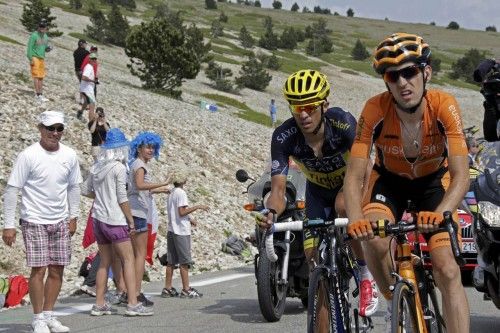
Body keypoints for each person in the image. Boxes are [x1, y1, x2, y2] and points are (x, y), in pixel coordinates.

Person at [343, 33, 470, 333]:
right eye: (393, 75)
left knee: (447, 270)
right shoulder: (374, 109)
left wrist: (441, 213)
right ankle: (393, 298)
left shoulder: (444, 106)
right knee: (372, 237)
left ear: (426, 72)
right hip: (389, 183)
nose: (403, 82)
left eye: (410, 71)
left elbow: (461, 175)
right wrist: (355, 219)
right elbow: (354, 176)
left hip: (433, 185)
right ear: (386, 81)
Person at [258, 69, 379, 326]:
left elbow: (367, 168)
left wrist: (364, 204)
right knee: (315, 262)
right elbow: (278, 190)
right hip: (317, 193)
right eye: (297, 107)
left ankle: (364, 273)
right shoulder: (283, 137)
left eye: (310, 107)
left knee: (344, 206)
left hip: (349, 184)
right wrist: (271, 213)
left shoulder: (343, 124)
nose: (303, 114)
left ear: (324, 104)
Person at [2, 111, 81, 333]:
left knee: (58, 269)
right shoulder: (28, 155)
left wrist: (73, 216)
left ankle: (49, 314)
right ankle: (37, 318)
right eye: (50, 128)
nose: (54, 133)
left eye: (59, 129)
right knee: (39, 269)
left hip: (60, 220)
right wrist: (8, 225)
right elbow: (12, 190)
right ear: (40, 128)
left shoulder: (69, 155)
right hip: (34, 219)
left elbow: (74, 187)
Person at [81, 128, 153, 317]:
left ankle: (99, 304)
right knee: (128, 260)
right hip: (115, 219)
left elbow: (85, 189)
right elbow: (122, 197)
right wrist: (130, 221)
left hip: (98, 219)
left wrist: (101, 197)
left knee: (105, 262)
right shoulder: (119, 168)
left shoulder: (97, 166)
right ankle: (132, 303)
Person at [128, 132, 171, 306]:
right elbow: (139, 185)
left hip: (134, 210)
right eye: (147, 147)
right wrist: (162, 183)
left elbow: (140, 188)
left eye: (153, 147)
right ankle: (137, 292)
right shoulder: (140, 165)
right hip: (138, 213)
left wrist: (158, 190)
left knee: (132, 255)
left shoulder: (136, 163)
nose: (151, 150)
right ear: (138, 148)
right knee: (139, 255)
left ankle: (129, 291)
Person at [161, 171, 209, 298]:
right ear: (184, 180)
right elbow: (181, 212)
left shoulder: (171, 192)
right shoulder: (181, 193)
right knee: (184, 261)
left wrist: (190, 218)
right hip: (181, 231)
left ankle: (168, 287)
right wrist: (198, 207)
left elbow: (176, 212)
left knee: (171, 261)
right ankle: (186, 289)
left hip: (172, 229)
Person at [473, 58, 500, 141]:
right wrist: (491, 62)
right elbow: (477, 75)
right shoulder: (494, 65)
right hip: (492, 106)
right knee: (490, 139)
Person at [27, 19, 51, 102]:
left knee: (41, 76)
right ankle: (37, 95)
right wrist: (30, 58)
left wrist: (48, 49)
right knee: (36, 76)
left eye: (43, 26)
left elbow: (44, 48)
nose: (41, 28)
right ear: (38, 26)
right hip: (34, 57)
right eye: (40, 26)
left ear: (46, 28)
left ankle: (40, 94)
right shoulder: (34, 35)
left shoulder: (46, 36)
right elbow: (29, 47)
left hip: (41, 57)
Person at [78, 53, 98, 120]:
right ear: (89, 59)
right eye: (93, 59)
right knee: (92, 105)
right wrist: (93, 81)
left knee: (86, 102)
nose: (94, 60)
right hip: (87, 89)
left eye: (95, 59)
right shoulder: (89, 67)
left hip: (85, 88)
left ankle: (80, 112)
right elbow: (83, 77)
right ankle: (91, 122)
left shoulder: (89, 66)